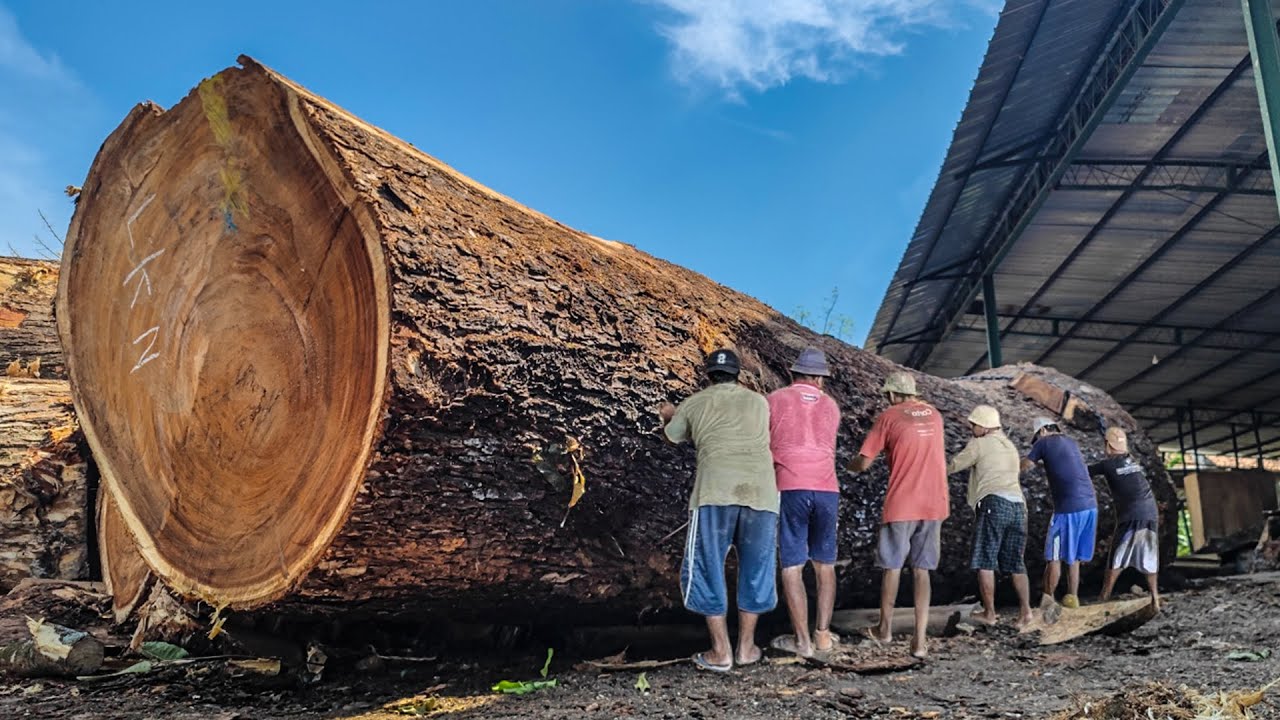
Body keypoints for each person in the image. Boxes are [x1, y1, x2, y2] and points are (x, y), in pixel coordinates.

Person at [659, 348, 778, 672]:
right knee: (756, 568)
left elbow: (672, 438)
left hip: (715, 493)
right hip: (762, 494)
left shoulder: (695, 402)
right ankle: (746, 648)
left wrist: (670, 414)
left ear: (707, 376)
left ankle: (721, 652)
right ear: (738, 375)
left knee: (708, 565)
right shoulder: (760, 402)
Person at [847, 371, 948, 659]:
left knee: (892, 565)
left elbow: (864, 463)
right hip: (934, 501)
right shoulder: (935, 415)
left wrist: (847, 467)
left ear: (891, 395)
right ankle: (919, 641)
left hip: (903, 501)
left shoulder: (889, 416)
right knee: (922, 569)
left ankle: (885, 629)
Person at [765, 347, 841, 658]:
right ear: (820, 380)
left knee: (792, 566)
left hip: (791, 485)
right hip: (827, 489)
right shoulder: (832, 406)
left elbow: (764, 444)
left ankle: (802, 643)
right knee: (825, 564)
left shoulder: (775, 399)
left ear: (792, 374)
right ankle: (822, 636)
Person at [946, 405, 1033, 629]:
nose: (971, 429)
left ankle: (990, 613)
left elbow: (956, 464)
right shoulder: (1010, 446)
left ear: (983, 426)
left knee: (985, 560)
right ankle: (1026, 613)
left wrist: (935, 470)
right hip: (1018, 507)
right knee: (1016, 563)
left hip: (995, 503)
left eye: (973, 425)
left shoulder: (980, 443)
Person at [1021, 418, 1097, 609]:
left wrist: (1011, 466)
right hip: (1090, 506)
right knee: (1074, 558)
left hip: (1069, 508)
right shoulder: (1071, 442)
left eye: (1037, 436)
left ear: (1044, 430)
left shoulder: (1044, 442)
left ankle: (1048, 600)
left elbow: (1026, 466)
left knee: (1053, 556)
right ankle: (1073, 598)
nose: (1037, 440)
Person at [1090, 427, 1161, 611]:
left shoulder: (1108, 465)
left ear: (1108, 445)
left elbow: (1084, 471)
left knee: (1117, 556)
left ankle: (1103, 597)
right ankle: (1155, 598)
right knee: (1150, 555)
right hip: (1150, 512)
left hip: (1131, 514)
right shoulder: (1133, 462)